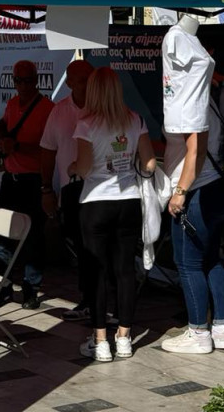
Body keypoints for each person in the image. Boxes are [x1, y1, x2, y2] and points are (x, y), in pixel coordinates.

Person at [70, 66, 158, 362]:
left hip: (95, 202)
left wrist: (72, 167)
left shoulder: (86, 124)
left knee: (97, 272)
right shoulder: (135, 120)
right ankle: (124, 337)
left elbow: (82, 169)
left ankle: (100, 340)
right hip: (128, 201)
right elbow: (149, 165)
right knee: (124, 272)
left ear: (94, 92)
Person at [159, 16, 224, 355]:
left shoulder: (190, 100)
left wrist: (180, 192)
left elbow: (196, 150)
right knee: (212, 259)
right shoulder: (211, 97)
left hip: (199, 189)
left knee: (188, 264)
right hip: (217, 187)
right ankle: (221, 329)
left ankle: (198, 333)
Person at [0, 60, 53, 309]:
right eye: (18, 80)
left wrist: (18, 147)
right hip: (11, 178)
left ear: (36, 80)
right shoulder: (12, 104)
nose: (23, 85)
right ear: (13, 81)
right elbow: (4, 125)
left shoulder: (48, 108)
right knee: (3, 234)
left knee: (33, 236)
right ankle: (3, 286)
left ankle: (31, 288)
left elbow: (50, 147)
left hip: (33, 179)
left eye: (27, 80)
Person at [40, 59, 95, 323]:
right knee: (82, 249)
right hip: (71, 189)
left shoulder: (108, 109)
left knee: (101, 248)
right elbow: (48, 151)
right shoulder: (59, 111)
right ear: (70, 82)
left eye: (90, 78)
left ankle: (106, 300)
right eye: (82, 79)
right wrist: (46, 190)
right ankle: (89, 299)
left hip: (102, 190)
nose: (87, 84)